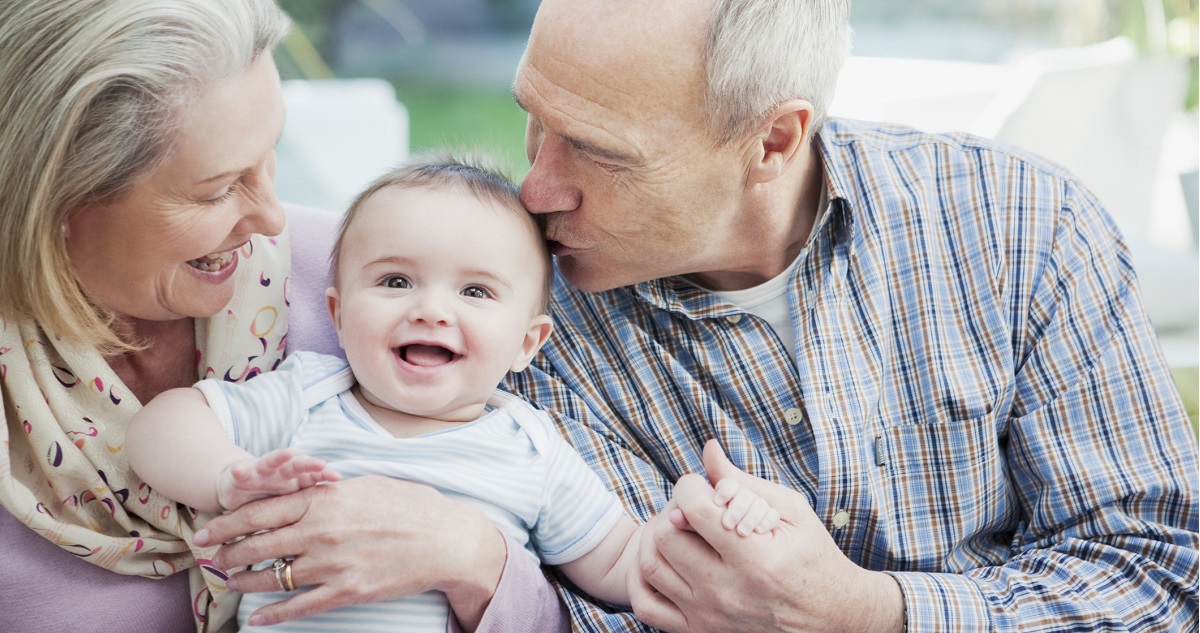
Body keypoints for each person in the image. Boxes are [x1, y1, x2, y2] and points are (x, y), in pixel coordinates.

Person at [501, 0, 1200, 631]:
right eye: (534, 118)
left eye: (596, 150)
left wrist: (866, 613)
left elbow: (1161, 576)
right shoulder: (505, 317)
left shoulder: (1024, 226)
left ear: (773, 140)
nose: (535, 189)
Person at [0, 2, 573, 632]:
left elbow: (584, 598)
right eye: (216, 189)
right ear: (51, 198)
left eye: (271, 153)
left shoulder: (386, 279)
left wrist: (470, 557)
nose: (273, 220)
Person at [126, 158, 780, 632]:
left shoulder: (532, 448)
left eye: (475, 292)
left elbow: (621, 561)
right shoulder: (308, 398)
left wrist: (703, 519)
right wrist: (229, 474)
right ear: (338, 312)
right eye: (395, 280)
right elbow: (164, 424)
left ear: (528, 341)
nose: (431, 310)